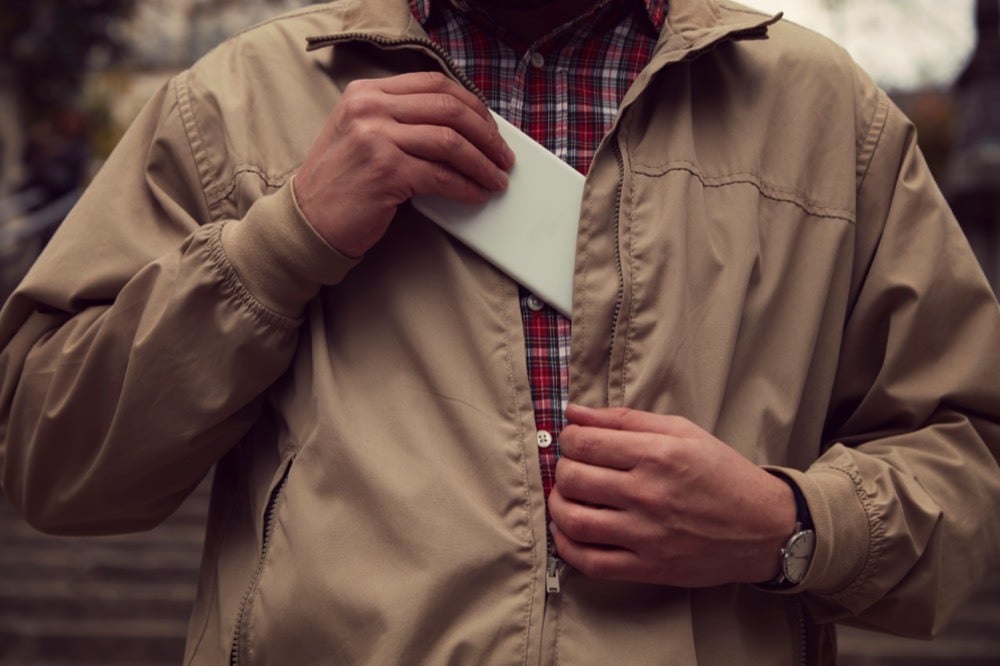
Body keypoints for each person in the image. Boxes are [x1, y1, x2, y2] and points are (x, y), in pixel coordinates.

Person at [1, 0, 998, 663]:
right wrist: (282, 239)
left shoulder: (830, 121)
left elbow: (967, 455)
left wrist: (789, 528)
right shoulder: (234, 104)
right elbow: (49, 456)